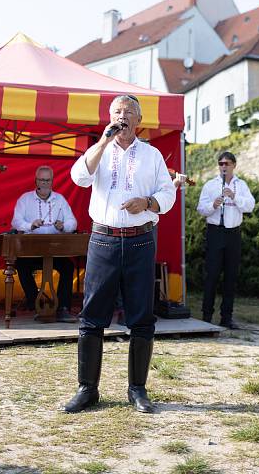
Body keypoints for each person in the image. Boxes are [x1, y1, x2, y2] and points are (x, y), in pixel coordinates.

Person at [65, 94, 175, 414]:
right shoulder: (99, 150)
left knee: (141, 317)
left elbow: (167, 194)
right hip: (103, 241)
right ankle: (87, 389)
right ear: (109, 118)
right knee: (91, 317)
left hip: (140, 241)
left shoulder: (152, 155)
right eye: (116, 112)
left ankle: (137, 390)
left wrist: (148, 204)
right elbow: (79, 177)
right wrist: (102, 143)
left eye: (128, 112)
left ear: (139, 121)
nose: (122, 116)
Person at [11, 165, 78, 322]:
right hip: (32, 250)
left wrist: (64, 226)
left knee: (68, 266)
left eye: (48, 180)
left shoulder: (60, 199)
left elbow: (72, 222)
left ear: (52, 181)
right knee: (21, 265)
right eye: (42, 180)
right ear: (36, 181)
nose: (45, 183)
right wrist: (30, 225)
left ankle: (63, 309)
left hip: (55, 249)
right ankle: (36, 304)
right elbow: (16, 221)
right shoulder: (25, 199)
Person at [197, 151, 255, 329]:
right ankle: (207, 315)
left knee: (230, 276)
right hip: (215, 232)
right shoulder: (210, 185)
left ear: (234, 166)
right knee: (212, 275)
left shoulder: (241, 185)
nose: (223, 167)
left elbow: (250, 206)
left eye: (227, 164)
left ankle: (226, 317)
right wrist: (213, 205)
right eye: (221, 164)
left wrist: (234, 196)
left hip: (233, 234)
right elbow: (201, 208)